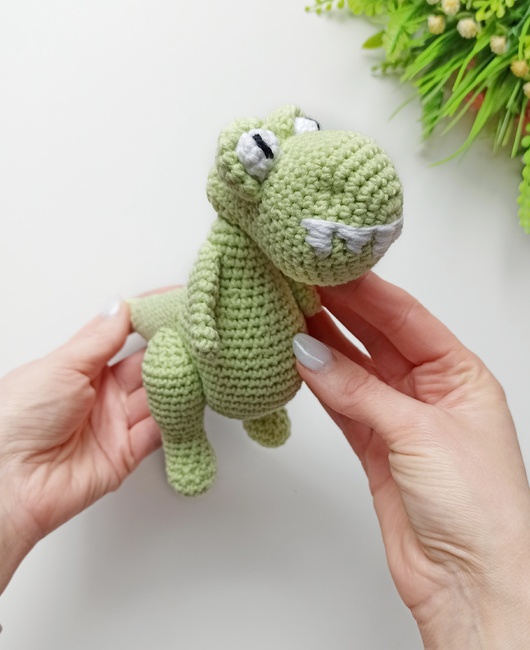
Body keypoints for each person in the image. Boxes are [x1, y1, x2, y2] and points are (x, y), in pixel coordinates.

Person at [1, 274, 529, 647]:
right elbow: (202, 301)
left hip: (259, 386)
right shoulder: (221, 263)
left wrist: (478, 581)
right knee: (168, 370)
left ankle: (260, 411)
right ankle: (186, 439)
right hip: (202, 364)